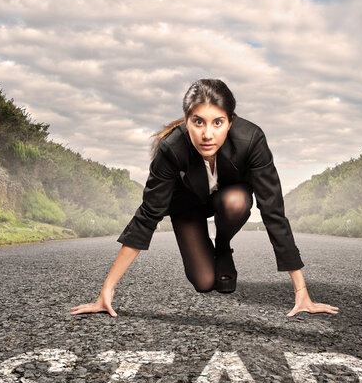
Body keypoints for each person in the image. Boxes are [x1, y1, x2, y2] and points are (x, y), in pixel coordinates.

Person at [70, 79, 339, 318]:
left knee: (235, 200)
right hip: (187, 207)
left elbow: (273, 211)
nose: (207, 134)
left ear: (230, 121)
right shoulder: (171, 148)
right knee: (204, 281)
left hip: (230, 201)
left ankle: (222, 245)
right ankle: (210, 254)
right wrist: (107, 289)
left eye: (217, 122)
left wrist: (301, 291)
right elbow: (148, 215)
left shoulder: (251, 139)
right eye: (198, 122)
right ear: (186, 121)